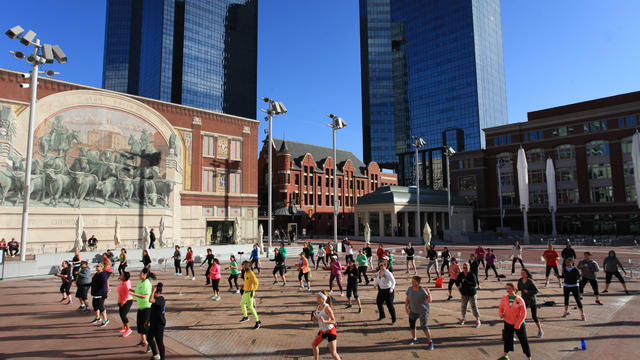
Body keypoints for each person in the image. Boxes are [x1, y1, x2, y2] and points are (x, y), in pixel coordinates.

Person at [498, 283, 532, 360]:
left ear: (514, 289)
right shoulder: (504, 298)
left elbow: (523, 313)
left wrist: (518, 324)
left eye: (510, 289)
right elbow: (501, 307)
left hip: (518, 323)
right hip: (507, 322)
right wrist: (501, 314)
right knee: (507, 339)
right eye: (507, 289)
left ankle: (529, 357)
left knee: (524, 340)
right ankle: (505, 355)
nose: (508, 290)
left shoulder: (519, 300)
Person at [405, 276, 434, 350]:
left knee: (424, 326)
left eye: (414, 281)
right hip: (413, 310)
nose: (412, 283)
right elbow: (407, 299)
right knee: (412, 324)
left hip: (423, 311)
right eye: (412, 281)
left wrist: (429, 292)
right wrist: (406, 307)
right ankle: (414, 339)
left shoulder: (422, 290)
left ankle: (430, 342)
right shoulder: (410, 289)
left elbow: (429, 300)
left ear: (418, 283)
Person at [311, 290, 342, 360]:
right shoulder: (318, 307)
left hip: (330, 331)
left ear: (323, 299)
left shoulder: (327, 308)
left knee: (333, 353)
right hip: (323, 331)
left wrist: (325, 321)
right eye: (317, 297)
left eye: (319, 298)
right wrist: (314, 319)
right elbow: (317, 319)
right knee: (314, 345)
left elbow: (334, 321)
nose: (317, 299)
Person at [130, 268, 155, 349]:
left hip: (147, 307)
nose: (139, 275)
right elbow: (138, 291)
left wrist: (133, 294)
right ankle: (143, 341)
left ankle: (150, 344)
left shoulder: (147, 283)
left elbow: (145, 296)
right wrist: (131, 290)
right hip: (141, 307)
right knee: (140, 325)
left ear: (145, 275)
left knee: (145, 326)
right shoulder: (140, 282)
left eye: (140, 273)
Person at [517, 268, 543, 338]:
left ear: (527, 274)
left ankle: (540, 330)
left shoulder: (530, 281)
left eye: (524, 273)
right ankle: (523, 327)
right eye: (521, 273)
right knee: (522, 314)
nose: (522, 274)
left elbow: (536, 291)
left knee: (534, 316)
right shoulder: (520, 281)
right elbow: (519, 288)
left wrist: (528, 292)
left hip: (532, 300)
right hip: (524, 300)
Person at [457, 262, 481, 327]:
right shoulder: (461, 274)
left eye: (466, 268)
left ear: (469, 268)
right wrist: (459, 289)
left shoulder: (472, 274)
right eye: (464, 268)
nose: (465, 269)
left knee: (474, 307)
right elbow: (457, 282)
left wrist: (465, 281)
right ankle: (463, 318)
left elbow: (474, 284)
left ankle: (478, 320)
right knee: (463, 307)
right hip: (464, 293)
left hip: (471, 293)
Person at [239, 261, 261, 329]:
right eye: (244, 266)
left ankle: (258, 321)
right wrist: (243, 286)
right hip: (245, 292)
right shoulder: (246, 273)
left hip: (250, 292)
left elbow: (256, 283)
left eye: (245, 266)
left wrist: (253, 290)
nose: (244, 267)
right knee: (242, 304)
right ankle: (246, 317)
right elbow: (246, 281)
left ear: (249, 267)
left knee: (251, 307)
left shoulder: (251, 273)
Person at [148, 282, 166, 360]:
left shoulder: (160, 299)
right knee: (149, 338)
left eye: (153, 291)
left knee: (159, 342)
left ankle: (162, 358)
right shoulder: (156, 299)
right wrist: (147, 321)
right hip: (153, 323)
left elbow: (150, 300)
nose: (151, 292)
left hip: (159, 324)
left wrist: (152, 292)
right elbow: (152, 311)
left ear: (157, 292)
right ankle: (155, 354)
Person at [89, 262, 110, 327]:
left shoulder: (103, 274)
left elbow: (104, 284)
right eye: (96, 266)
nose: (97, 267)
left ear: (102, 267)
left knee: (101, 307)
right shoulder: (96, 274)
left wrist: (105, 293)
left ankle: (105, 320)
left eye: (98, 266)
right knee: (95, 306)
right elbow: (93, 282)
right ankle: (97, 318)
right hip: (95, 293)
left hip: (101, 294)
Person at [117, 271, 134, 337]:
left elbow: (127, 295)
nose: (120, 275)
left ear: (124, 277)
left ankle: (128, 329)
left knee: (123, 315)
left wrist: (122, 302)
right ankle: (124, 327)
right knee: (121, 314)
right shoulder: (122, 282)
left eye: (122, 275)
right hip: (122, 300)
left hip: (127, 301)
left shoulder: (126, 284)